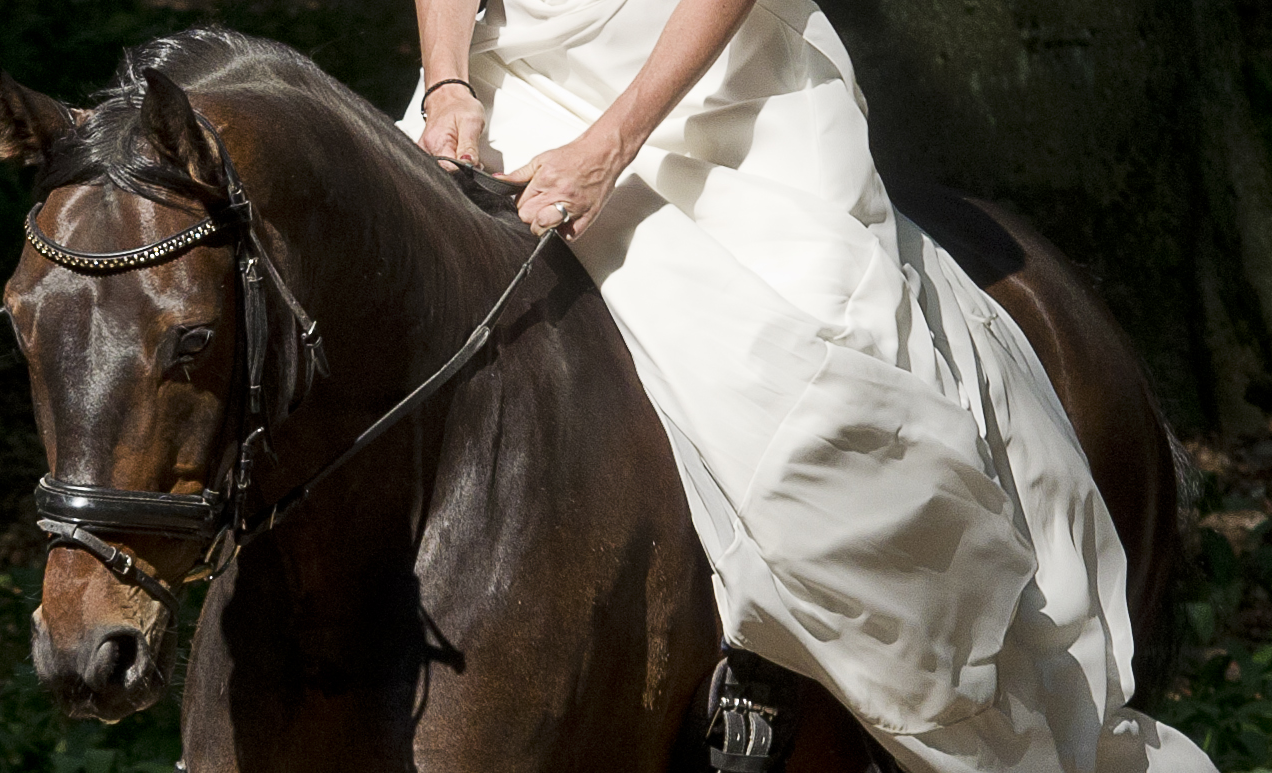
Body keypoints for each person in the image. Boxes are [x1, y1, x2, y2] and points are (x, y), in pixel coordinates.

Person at [399, 1, 1219, 771]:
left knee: (808, 393)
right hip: (505, 78)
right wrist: (447, 84)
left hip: (709, 86)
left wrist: (611, 145)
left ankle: (784, 678)